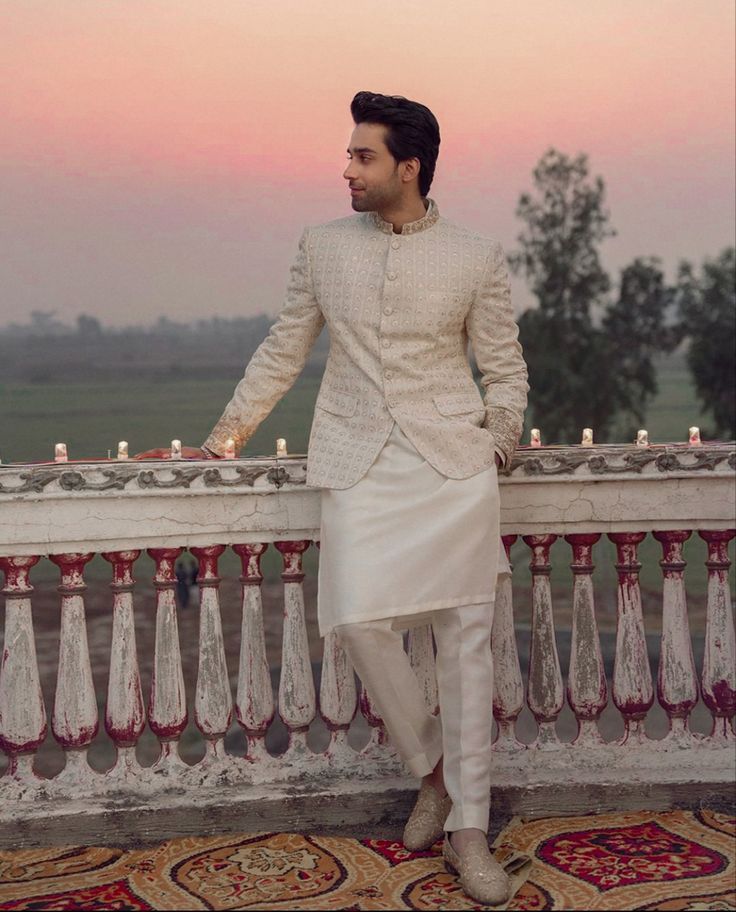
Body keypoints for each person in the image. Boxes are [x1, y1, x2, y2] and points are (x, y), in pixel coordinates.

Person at [138, 91, 528, 905]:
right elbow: (284, 347)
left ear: (408, 168)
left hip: (453, 468)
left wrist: (499, 438)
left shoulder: (475, 254)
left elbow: (505, 363)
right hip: (356, 461)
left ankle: (468, 832)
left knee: (465, 645)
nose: (347, 168)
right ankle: (434, 773)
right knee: (354, 616)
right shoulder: (322, 247)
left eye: (363, 156)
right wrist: (221, 439)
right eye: (350, 154)